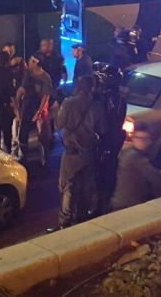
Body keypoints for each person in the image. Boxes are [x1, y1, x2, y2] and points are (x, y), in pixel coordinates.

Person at [54, 75, 104, 229]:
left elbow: (58, 124)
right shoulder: (96, 105)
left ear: (77, 87)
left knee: (68, 187)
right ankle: (81, 218)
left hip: (71, 153)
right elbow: (102, 129)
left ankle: (65, 221)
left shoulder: (68, 103)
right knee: (85, 186)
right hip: (88, 152)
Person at [93, 63, 127, 214]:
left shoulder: (113, 99)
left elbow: (109, 122)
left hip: (109, 141)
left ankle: (102, 206)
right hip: (110, 139)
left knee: (105, 174)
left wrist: (104, 143)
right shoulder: (112, 97)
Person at [111, 123, 161, 211]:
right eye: (139, 138)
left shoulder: (127, 152)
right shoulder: (135, 157)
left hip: (121, 203)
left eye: (145, 139)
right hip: (129, 206)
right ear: (133, 138)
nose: (142, 141)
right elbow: (157, 179)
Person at [14, 54, 53, 165]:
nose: (29, 62)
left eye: (31, 61)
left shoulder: (45, 78)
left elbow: (45, 96)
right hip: (27, 108)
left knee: (42, 134)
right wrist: (17, 105)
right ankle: (24, 157)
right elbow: (22, 89)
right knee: (23, 134)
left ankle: (44, 157)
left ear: (36, 63)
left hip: (38, 108)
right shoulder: (28, 75)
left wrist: (39, 112)